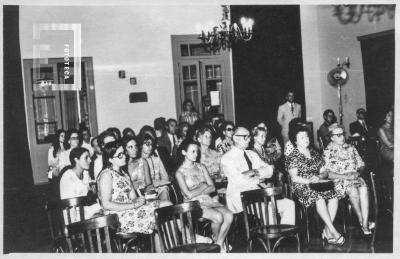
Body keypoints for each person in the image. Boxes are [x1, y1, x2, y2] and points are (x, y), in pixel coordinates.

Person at [221, 127, 295, 225]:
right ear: (235, 138)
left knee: (289, 204)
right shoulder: (227, 158)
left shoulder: (252, 154)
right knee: (267, 209)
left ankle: (284, 237)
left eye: (249, 137)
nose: (249, 139)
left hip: (258, 195)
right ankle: (271, 238)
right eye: (245, 137)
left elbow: (270, 170)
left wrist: (254, 172)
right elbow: (239, 181)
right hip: (241, 199)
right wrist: (258, 179)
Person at [285, 125, 345, 245]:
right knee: (319, 197)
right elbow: (294, 177)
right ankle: (333, 231)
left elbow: (324, 172)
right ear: (295, 140)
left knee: (334, 196)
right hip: (302, 185)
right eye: (302, 137)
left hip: (317, 183)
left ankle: (327, 231)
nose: (306, 139)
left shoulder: (314, 152)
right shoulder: (293, 155)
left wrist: (319, 177)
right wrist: (310, 181)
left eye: (306, 136)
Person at [97, 141, 171, 235]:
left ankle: (171, 243)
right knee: (163, 210)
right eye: (119, 155)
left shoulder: (124, 174)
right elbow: (106, 204)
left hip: (130, 212)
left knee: (166, 206)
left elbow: (133, 198)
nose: (124, 156)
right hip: (117, 218)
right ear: (110, 159)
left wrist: (139, 200)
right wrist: (133, 205)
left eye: (123, 153)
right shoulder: (106, 175)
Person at [175, 140, 233, 252]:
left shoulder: (201, 166)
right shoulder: (180, 173)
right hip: (193, 205)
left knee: (229, 216)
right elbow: (188, 195)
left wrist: (200, 190)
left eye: (197, 151)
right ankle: (218, 243)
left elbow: (212, 187)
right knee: (218, 217)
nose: (196, 154)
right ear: (184, 152)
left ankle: (218, 243)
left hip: (208, 199)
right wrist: (203, 186)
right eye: (192, 151)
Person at [323, 125, 373, 235]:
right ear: (332, 137)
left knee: (364, 188)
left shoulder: (351, 147)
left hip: (355, 177)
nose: (342, 137)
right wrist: (347, 177)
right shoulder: (328, 151)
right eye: (338, 135)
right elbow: (327, 174)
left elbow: (361, 164)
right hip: (340, 180)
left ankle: (364, 223)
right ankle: (362, 221)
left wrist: (357, 172)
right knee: (353, 190)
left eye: (343, 134)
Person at [59, 147, 102, 220]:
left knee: (105, 207)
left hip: (84, 209)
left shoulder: (85, 173)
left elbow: (90, 190)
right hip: (73, 214)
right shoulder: (68, 177)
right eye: (86, 158)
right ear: (76, 160)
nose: (90, 160)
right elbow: (70, 204)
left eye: (89, 157)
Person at [140, 134, 171, 201]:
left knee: (164, 190)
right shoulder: (138, 162)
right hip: (145, 190)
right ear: (140, 145)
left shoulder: (156, 159)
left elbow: (165, 177)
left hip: (160, 187)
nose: (150, 147)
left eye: (151, 144)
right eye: (147, 144)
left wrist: (160, 184)